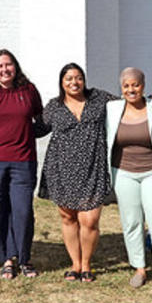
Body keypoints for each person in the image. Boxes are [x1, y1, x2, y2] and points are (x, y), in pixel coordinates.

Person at [37, 63, 115, 282]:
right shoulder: (54, 105)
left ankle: (87, 264)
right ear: (62, 83)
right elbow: (37, 129)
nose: (74, 82)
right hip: (61, 168)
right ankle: (75, 264)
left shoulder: (99, 99)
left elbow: (126, 102)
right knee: (68, 217)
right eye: (69, 79)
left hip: (93, 167)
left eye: (78, 78)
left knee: (90, 220)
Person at [107, 68, 152, 294]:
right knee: (131, 221)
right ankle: (139, 268)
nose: (131, 89)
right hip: (123, 173)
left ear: (143, 85)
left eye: (135, 85)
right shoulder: (112, 109)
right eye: (126, 86)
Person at [0, 49, 43, 279]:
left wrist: (25, 135)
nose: (5, 70)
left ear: (15, 67)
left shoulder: (28, 90)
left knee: (23, 211)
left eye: (8, 65)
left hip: (23, 162)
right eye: (0, 67)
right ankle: (6, 257)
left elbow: (41, 119)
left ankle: (24, 258)